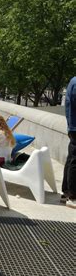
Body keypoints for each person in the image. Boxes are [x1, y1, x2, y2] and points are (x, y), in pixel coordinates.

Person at [63, 76, 76, 208]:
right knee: (74, 160)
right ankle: (73, 195)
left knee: (71, 158)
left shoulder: (73, 80)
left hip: (73, 126)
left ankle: (66, 191)